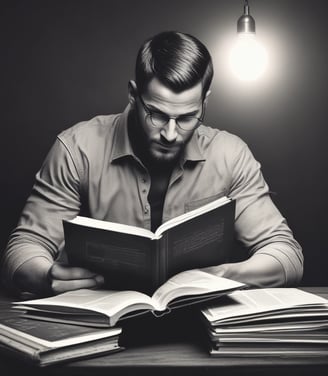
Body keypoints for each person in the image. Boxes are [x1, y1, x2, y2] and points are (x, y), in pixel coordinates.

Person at [0, 31, 303, 297]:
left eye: (186, 118)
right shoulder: (76, 149)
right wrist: (46, 276)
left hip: (197, 331)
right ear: (134, 95)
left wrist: (224, 275)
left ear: (205, 103)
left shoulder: (230, 155)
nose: (171, 134)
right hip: (99, 333)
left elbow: (286, 254)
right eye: (157, 115)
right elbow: (23, 249)